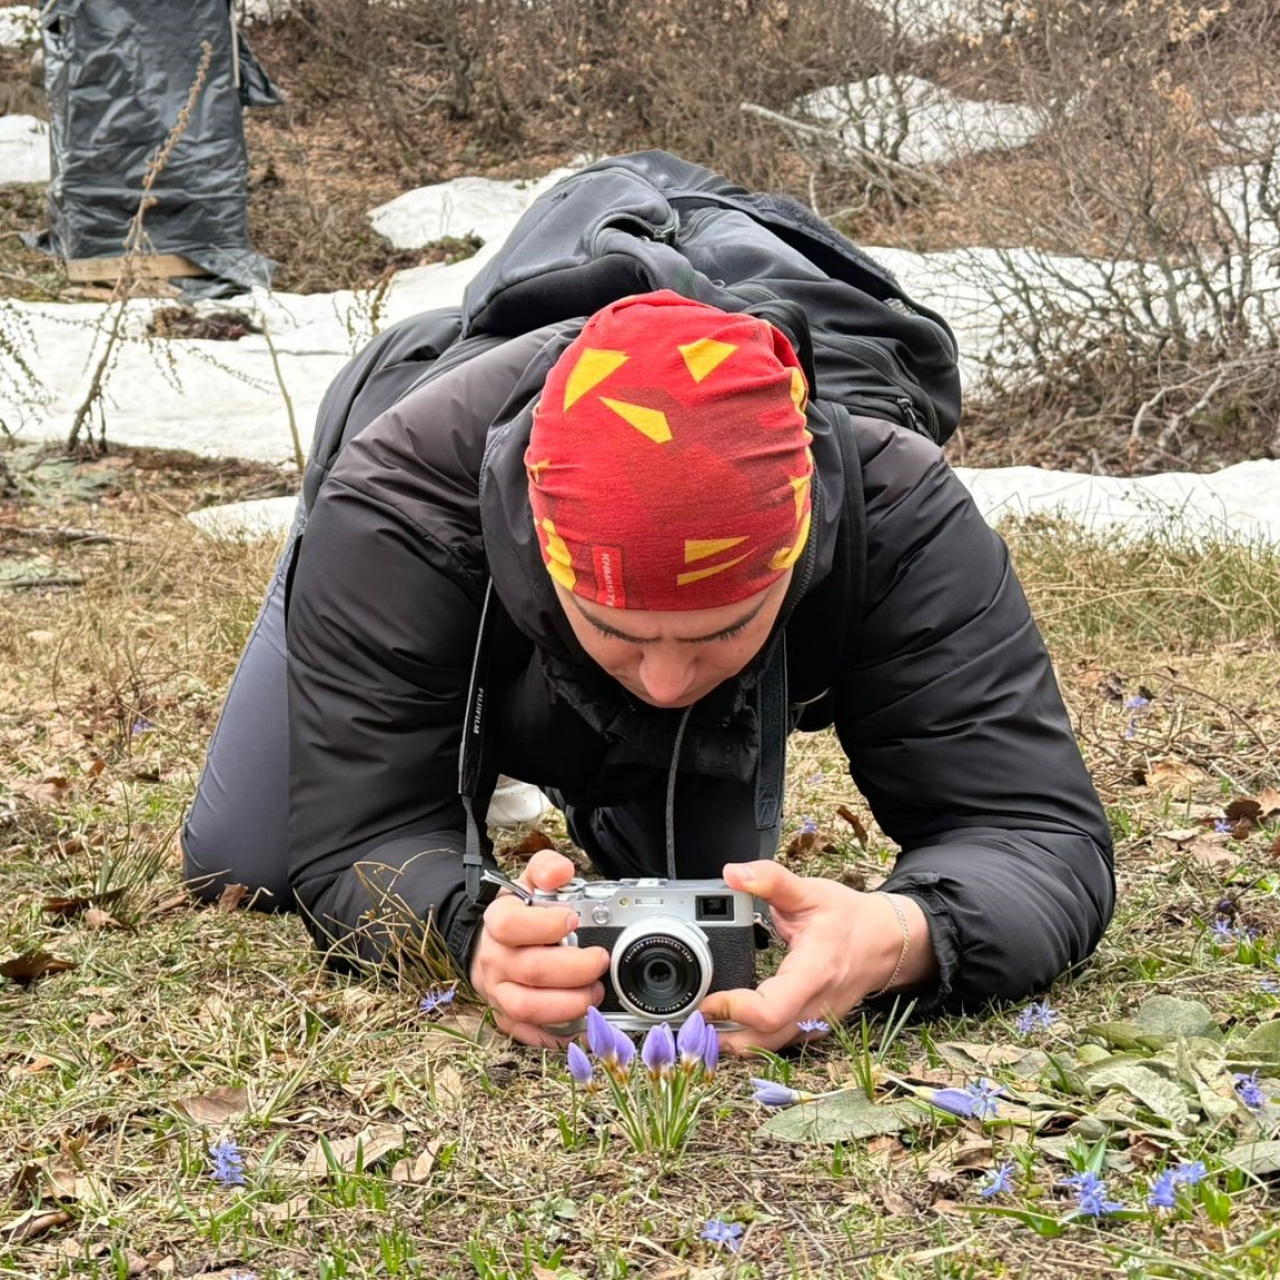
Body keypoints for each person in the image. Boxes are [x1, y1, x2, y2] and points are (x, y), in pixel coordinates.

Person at [182, 164, 1115, 1055]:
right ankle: (507, 724)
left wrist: (903, 933)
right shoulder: (400, 505)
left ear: (799, 557)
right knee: (248, 859)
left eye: (721, 629)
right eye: (622, 632)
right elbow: (359, 835)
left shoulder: (901, 509)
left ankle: (608, 754)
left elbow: (1036, 834)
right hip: (409, 520)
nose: (669, 680)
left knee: (697, 900)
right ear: (538, 557)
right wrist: (467, 932)